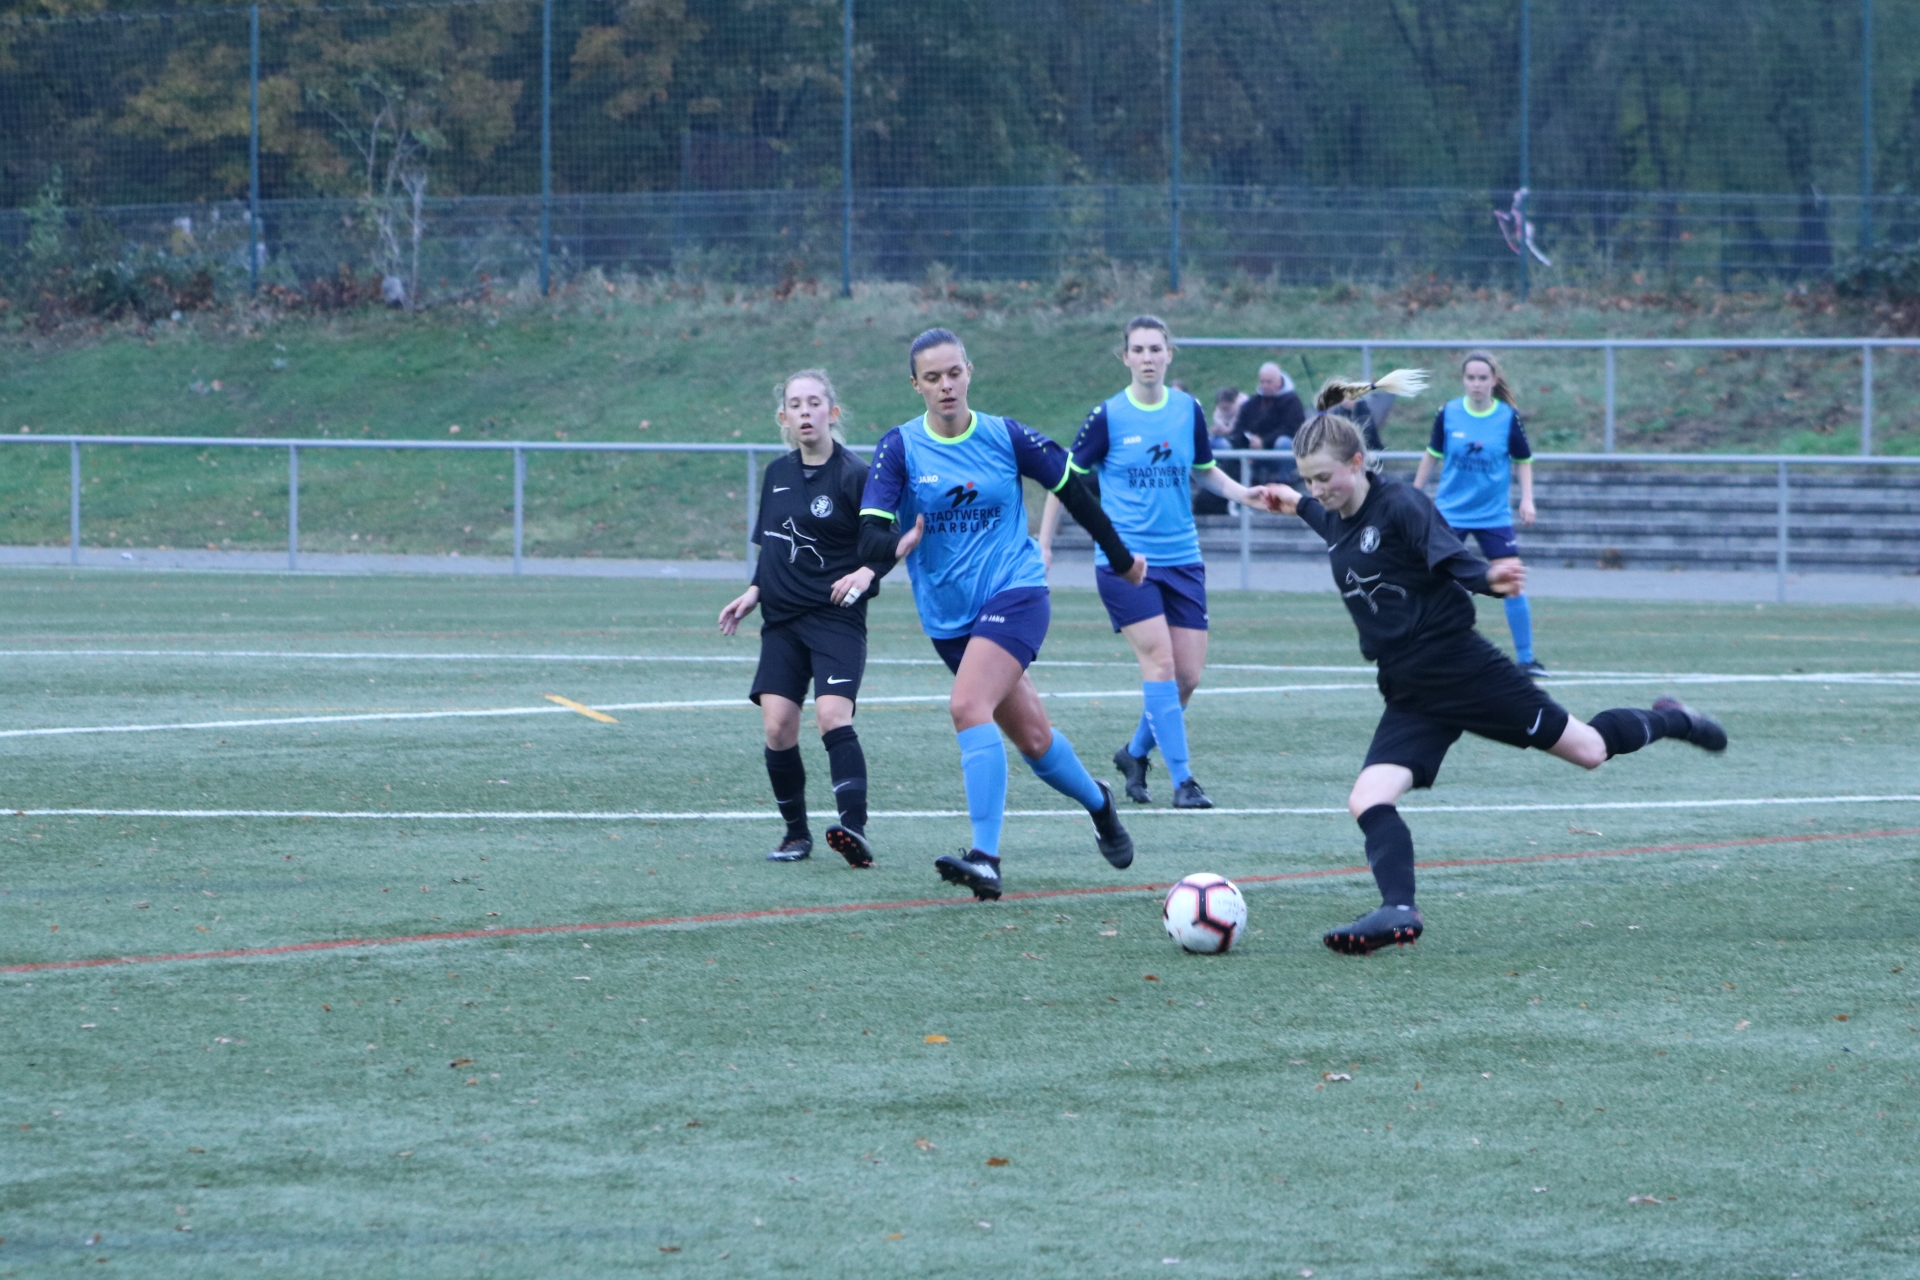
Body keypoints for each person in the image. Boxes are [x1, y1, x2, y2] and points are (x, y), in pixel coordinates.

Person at [1251, 391, 1727, 956]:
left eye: (1324, 477)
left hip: (1460, 668)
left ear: (1357, 463)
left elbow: (1449, 556)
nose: (1317, 489)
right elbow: (1325, 520)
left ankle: (1673, 718)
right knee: (1369, 798)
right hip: (1409, 687)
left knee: (1590, 750)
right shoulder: (1334, 514)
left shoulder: (1401, 503)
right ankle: (1398, 909)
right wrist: (1291, 502)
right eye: (1307, 480)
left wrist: (1489, 579)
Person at [858, 328, 1143, 901]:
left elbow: (1074, 488)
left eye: (953, 372)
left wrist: (1120, 558)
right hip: (949, 619)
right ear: (916, 385)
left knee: (967, 706)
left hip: (1016, 592)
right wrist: (892, 545)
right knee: (1034, 740)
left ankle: (985, 859)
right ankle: (1100, 803)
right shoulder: (900, 448)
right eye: (932, 377)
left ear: (969, 372)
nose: (945, 385)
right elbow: (870, 532)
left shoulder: (1004, 436)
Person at [1036, 315, 1266, 809]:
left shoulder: (1187, 410)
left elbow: (1205, 470)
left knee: (1187, 678)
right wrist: (1045, 543)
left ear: (1169, 354)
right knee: (1160, 664)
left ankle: (1134, 753)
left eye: (1155, 349)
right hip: (1126, 563)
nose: (1147, 357)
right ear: (1125, 358)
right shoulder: (1108, 416)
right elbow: (1064, 481)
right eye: (1138, 349)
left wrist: (1246, 494)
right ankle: (1184, 782)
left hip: (1183, 557)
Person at [718, 369, 919, 868]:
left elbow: (883, 545)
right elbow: (771, 544)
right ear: (783, 418)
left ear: (832, 412)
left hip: (835, 619)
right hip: (782, 621)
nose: (805, 412)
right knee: (777, 728)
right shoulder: (776, 474)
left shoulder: (856, 476)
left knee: (832, 716)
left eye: (814, 402)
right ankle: (795, 836)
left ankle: (855, 832)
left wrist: (867, 574)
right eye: (795, 404)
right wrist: (753, 591)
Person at [1413, 350, 1545, 676]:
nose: (1476, 384)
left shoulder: (1507, 417)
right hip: (1450, 513)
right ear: (1463, 380)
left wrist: (1527, 499)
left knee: (1511, 581)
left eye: (1482, 378)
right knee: (1430, 580)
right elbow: (1432, 455)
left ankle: (1527, 660)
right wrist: (1414, 494)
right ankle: (1421, 651)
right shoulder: (1449, 413)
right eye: (1470, 378)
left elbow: (1523, 460)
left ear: (1493, 380)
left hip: (1493, 516)